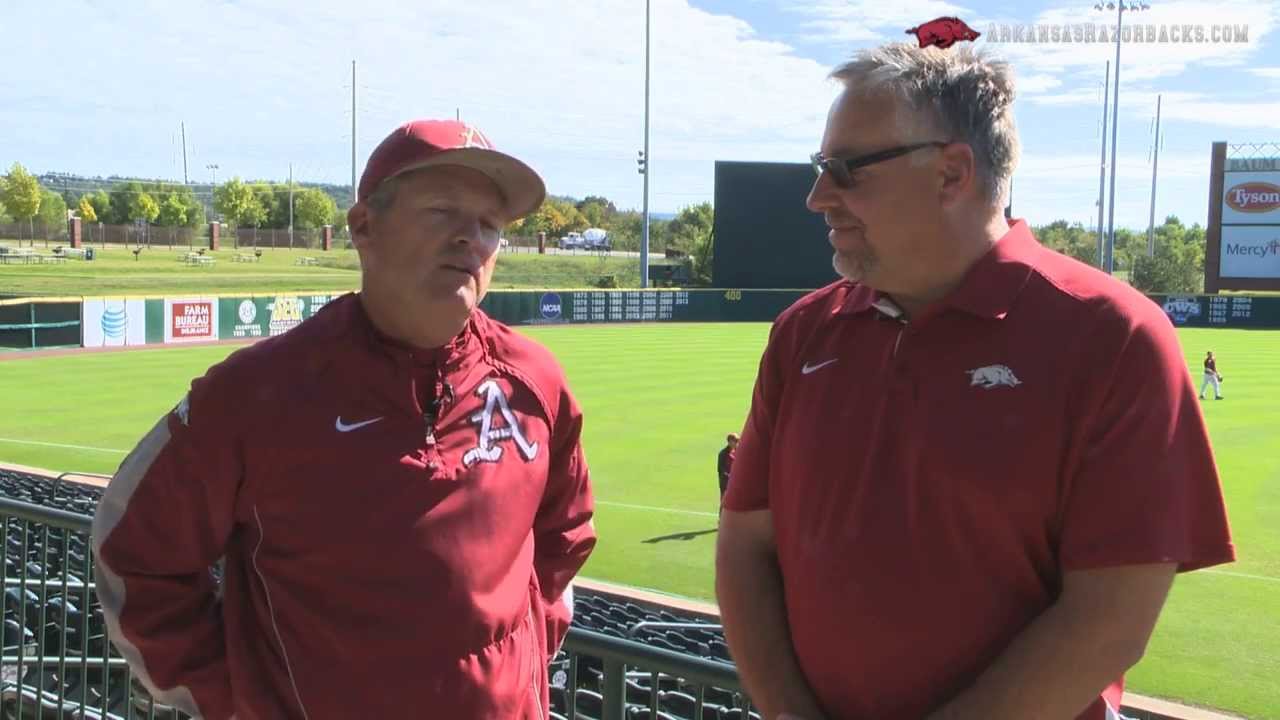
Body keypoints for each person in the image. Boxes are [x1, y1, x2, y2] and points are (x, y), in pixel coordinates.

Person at [716, 43, 1235, 720]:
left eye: (845, 171)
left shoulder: (1113, 337)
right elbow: (746, 546)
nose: (818, 198)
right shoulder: (803, 332)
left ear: (951, 173)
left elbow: (1110, 618)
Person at [91, 119, 598, 720]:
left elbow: (565, 536)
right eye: (443, 211)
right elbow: (136, 551)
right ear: (364, 227)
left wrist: (523, 667)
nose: (472, 238)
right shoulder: (256, 394)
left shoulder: (536, 382)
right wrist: (235, 700)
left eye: (490, 225)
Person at [718, 432, 740, 503]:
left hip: (736, 482)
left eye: (737, 441)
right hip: (726, 483)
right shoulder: (723, 454)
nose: (736, 443)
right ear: (730, 442)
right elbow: (721, 469)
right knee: (724, 503)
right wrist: (730, 475)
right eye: (735, 441)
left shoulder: (739, 451)